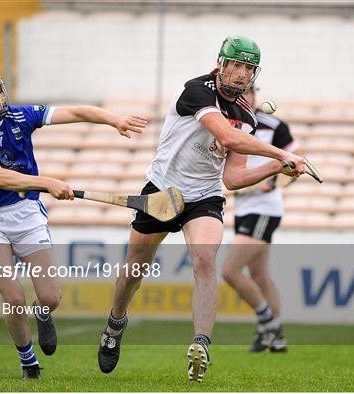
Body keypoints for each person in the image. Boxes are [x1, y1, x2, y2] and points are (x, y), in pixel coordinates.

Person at [96, 35, 306, 383]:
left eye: (248, 68)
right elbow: (225, 137)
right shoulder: (197, 90)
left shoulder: (246, 116)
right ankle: (116, 322)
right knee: (133, 272)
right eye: (236, 65)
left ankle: (201, 345)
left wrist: (274, 168)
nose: (241, 74)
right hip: (162, 192)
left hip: (204, 198)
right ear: (221, 64)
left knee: (206, 262)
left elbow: (234, 177)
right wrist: (282, 154)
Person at [0, 66, 147, 379]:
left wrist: (113, 119)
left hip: (24, 212)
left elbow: (74, 112)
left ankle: (42, 314)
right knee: (14, 298)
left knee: (50, 297)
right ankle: (29, 363)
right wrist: (47, 182)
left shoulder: (20, 116)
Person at [222, 85, 299, 353]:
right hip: (244, 207)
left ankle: (268, 321)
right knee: (260, 275)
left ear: (255, 95)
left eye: (248, 92)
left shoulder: (274, 126)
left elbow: (296, 163)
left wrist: (275, 182)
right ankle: (276, 337)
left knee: (229, 271)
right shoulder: (229, 125)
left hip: (264, 208)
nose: (244, 97)